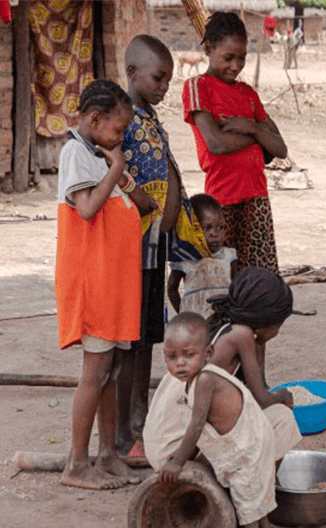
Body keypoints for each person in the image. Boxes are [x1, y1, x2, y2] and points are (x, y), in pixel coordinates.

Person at [145, 268, 301, 528]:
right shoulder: (240, 335)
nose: (278, 331)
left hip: (162, 441)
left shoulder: (223, 326)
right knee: (280, 421)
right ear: (268, 319)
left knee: (257, 428)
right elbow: (261, 399)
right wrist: (285, 397)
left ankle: (256, 510)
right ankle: (250, 506)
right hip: (177, 449)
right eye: (279, 324)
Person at [56, 79, 146, 489]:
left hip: (113, 285)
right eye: (118, 129)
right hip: (93, 284)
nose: (121, 137)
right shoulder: (76, 153)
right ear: (94, 120)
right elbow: (88, 209)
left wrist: (118, 171)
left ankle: (107, 453)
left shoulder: (95, 152)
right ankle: (77, 464)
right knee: (94, 373)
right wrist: (117, 168)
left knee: (111, 371)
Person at [157, 313, 288, 528]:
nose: (180, 363)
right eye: (172, 357)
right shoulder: (194, 379)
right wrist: (182, 455)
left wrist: (178, 461)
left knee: (247, 504)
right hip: (242, 442)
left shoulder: (205, 380)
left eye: (189, 355)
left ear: (208, 353)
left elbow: (197, 425)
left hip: (247, 446)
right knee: (255, 494)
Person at [116, 34, 182, 458]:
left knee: (147, 337)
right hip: (132, 250)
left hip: (155, 249)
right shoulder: (121, 118)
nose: (164, 87)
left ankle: (140, 417)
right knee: (129, 340)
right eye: (158, 78)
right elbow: (107, 164)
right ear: (132, 72)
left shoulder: (152, 119)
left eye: (168, 81)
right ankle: (123, 427)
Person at [183, 11, 288, 276]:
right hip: (221, 204)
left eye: (242, 58)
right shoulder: (198, 87)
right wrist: (258, 137)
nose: (236, 65)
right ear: (208, 49)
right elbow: (216, 143)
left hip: (257, 199)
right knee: (222, 279)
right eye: (228, 57)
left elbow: (279, 149)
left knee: (260, 280)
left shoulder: (248, 93)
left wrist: (250, 127)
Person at [167, 193, 237, 318]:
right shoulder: (185, 259)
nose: (215, 233)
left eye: (220, 227)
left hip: (223, 318)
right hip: (195, 320)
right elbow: (172, 289)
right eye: (207, 228)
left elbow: (236, 287)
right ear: (193, 229)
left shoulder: (228, 256)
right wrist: (183, 313)